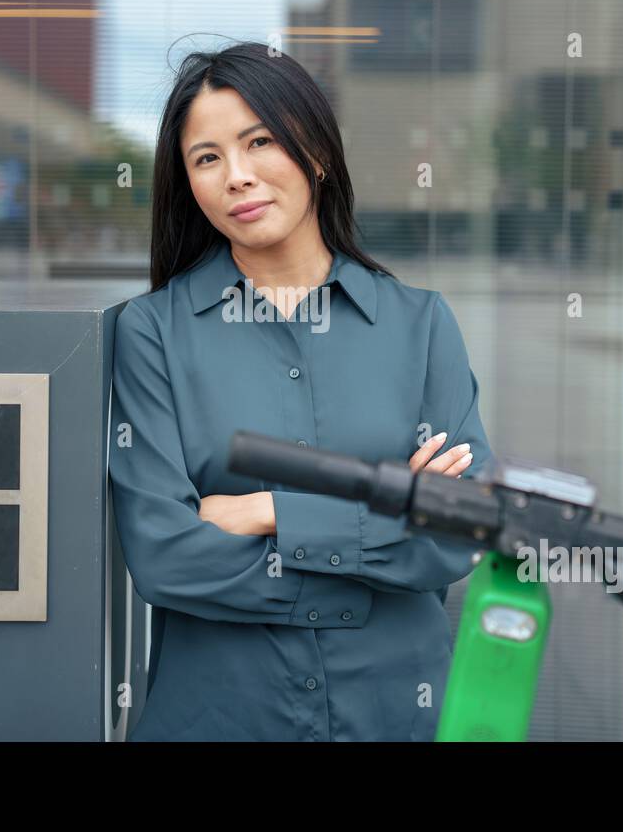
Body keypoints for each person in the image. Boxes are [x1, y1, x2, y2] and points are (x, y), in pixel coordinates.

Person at [109, 40, 493, 741]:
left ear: (314, 149)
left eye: (260, 142)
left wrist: (264, 509)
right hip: (222, 720)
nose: (237, 176)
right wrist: (383, 533)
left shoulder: (420, 325)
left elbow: (460, 531)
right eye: (207, 157)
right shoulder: (153, 334)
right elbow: (164, 556)